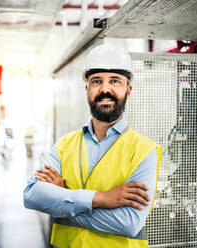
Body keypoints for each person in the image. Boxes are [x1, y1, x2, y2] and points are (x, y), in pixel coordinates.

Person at [23, 43, 162, 248]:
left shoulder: (145, 150)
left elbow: (129, 223)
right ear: (87, 88)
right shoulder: (64, 144)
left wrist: (63, 205)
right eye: (97, 81)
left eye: (115, 81)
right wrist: (101, 198)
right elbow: (32, 195)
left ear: (128, 90)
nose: (105, 89)